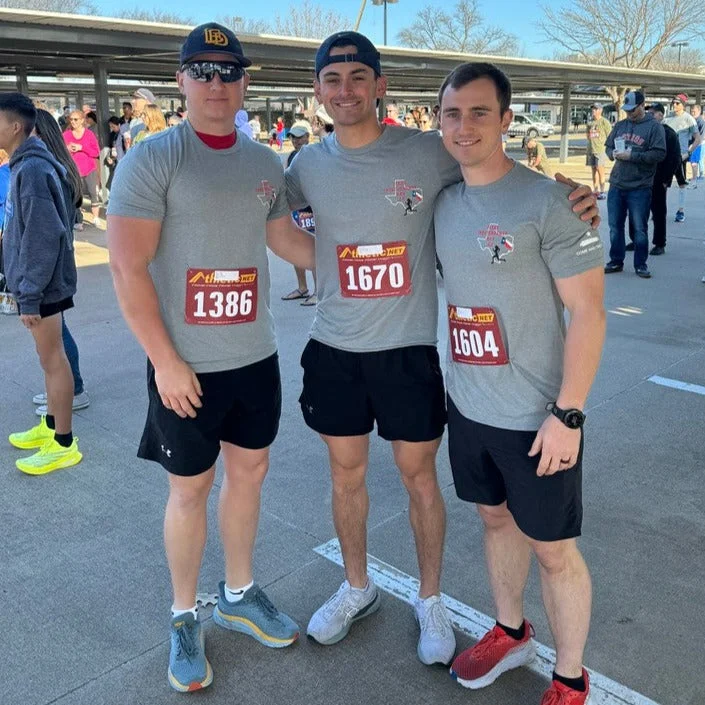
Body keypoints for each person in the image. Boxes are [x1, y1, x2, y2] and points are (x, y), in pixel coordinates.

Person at [285, 30, 598, 666]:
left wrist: (578, 196)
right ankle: (356, 587)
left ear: (380, 87)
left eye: (358, 77)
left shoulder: (432, 152)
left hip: (409, 355)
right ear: (317, 92)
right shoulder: (305, 166)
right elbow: (278, 222)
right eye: (332, 80)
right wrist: (326, 269)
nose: (345, 91)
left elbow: (506, 176)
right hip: (336, 351)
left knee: (419, 478)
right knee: (346, 476)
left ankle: (430, 599)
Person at [106, 22, 315, 693]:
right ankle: (183, 614)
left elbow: (290, 243)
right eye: (201, 70)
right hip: (184, 362)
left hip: (254, 354)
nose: (215, 83)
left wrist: (391, 243)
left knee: (249, 474)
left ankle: (240, 590)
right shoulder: (154, 157)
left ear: (245, 82)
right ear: (180, 80)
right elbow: (127, 268)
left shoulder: (263, 164)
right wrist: (164, 360)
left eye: (227, 72)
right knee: (190, 488)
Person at [433, 62, 605, 705]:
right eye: (453, 113)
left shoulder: (549, 201)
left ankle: (570, 677)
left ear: (507, 121)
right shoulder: (444, 200)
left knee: (555, 551)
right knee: (494, 520)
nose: (464, 126)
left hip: (539, 417)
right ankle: (510, 631)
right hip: (468, 406)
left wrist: (570, 413)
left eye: (480, 112)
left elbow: (588, 312)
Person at [0, 93, 83, 475]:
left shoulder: (31, 169)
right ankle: (51, 427)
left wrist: (29, 296)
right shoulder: (25, 164)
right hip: (41, 284)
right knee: (49, 359)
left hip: (44, 286)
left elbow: (42, 236)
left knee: (53, 361)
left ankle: (63, 443)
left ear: (15, 126)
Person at [33, 108, 91, 415]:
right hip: (55, 263)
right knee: (53, 332)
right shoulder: (59, 167)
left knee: (54, 334)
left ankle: (72, 389)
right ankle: (62, 388)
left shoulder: (49, 171)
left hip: (50, 267)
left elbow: (45, 230)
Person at [604, 91, 665, 279]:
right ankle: (616, 260)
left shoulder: (654, 128)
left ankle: (640, 264)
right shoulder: (621, 125)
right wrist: (612, 152)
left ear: (642, 106)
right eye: (627, 110)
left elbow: (659, 154)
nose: (629, 114)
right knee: (615, 226)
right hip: (617, 183)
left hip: (640, 186)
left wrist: (633, 156)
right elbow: (607, 146)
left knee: (639, 228)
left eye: (632, 110)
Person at [631, 104, 681, 256]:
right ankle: (637, 240)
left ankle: (659, 243)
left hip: (658, 179)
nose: (649, 116)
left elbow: (675, 158)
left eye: (653, 114)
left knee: (658, 212)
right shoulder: (643, 131)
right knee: (636, 211)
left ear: (661, 115)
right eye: (648, 114)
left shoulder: (669, 133)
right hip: (640, 178)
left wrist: (666, 179)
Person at [283, 124, 317, 306]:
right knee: (297, 248)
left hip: (312, 208)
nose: (295, 141)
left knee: (313, 248)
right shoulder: (291, 156)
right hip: (296, 208)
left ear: (307, 137)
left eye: (299, 137)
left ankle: (319, 290)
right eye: (293, 137)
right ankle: (302, 287)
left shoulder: (313, 155)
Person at [663, 93, 701, 222]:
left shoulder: (689, 119)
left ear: (683, 105)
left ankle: (681, 210)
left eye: (677, 103)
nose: (674, 105)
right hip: (667, 157)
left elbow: (697, 138)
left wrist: (688, 152)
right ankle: (660, 209)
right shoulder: (667, 118)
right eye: (673, 102)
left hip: (681, 156)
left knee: (682, 184)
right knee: (663, 184)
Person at [63, 110, 103, 229]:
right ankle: (78, 220)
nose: (73, 122)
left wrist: (82, 147)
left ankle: (95, 217)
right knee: (77, 195)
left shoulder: (89, 134)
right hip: (74, 169)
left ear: (82, 120)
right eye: (71, 119)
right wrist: (67, 148)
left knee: (93, 193)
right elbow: (60, 151)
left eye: (76, 119)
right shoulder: (66, 135)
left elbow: (96, 152)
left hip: (89, 168)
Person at [585, 103, 610, 199]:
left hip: (600, 150)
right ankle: (595, 190)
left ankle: (602, 190)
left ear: (600, 110)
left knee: (600, 170)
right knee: (593, 170)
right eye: (592, 109)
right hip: (591, 150)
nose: (593, 111)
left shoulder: (604, 122)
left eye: (595, 109)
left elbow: (609, 136)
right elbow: (587, 135)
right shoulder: (590, 123)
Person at [688, 104, 705, 182]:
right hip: (694, 143)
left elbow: (701, 135)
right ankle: (695, 176)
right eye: (691, 111)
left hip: (698, 144)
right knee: (694, 161)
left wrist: (693, 144)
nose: (692, 113)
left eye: (694, 111)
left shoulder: (700, 121)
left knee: (694, 161)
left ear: (699, 111)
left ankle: (695, 177)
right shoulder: (693, 120)